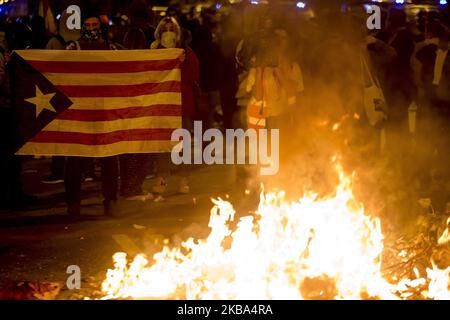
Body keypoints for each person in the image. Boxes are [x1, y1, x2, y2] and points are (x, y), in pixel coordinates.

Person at [64, 11, 120, 218]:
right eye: (86, 25)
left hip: (105, 112)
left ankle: (111, 200)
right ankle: (73, 203)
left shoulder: (112, 48)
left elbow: (135, 63)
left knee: (109, 159)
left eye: (95, 24)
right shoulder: (73, 48)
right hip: (80, 113)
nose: (91, 29)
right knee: (76, 160)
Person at [150, 16, 199, 196]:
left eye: (171, 29)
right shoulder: (154, 51)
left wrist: (181, 63)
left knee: (182, 145)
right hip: (162, 106)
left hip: (181, 105)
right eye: (164, 30)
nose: (168, 33)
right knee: (163, 145)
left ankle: (183, 178)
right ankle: (161, 177)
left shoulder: (186, 52)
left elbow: (193, 75)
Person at [41, 11, 81, 185]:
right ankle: (62, 171)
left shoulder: (79, 43)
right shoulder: (59, 42)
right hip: (64, 93)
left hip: (67, 94)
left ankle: (62, 171)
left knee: (65, 136)